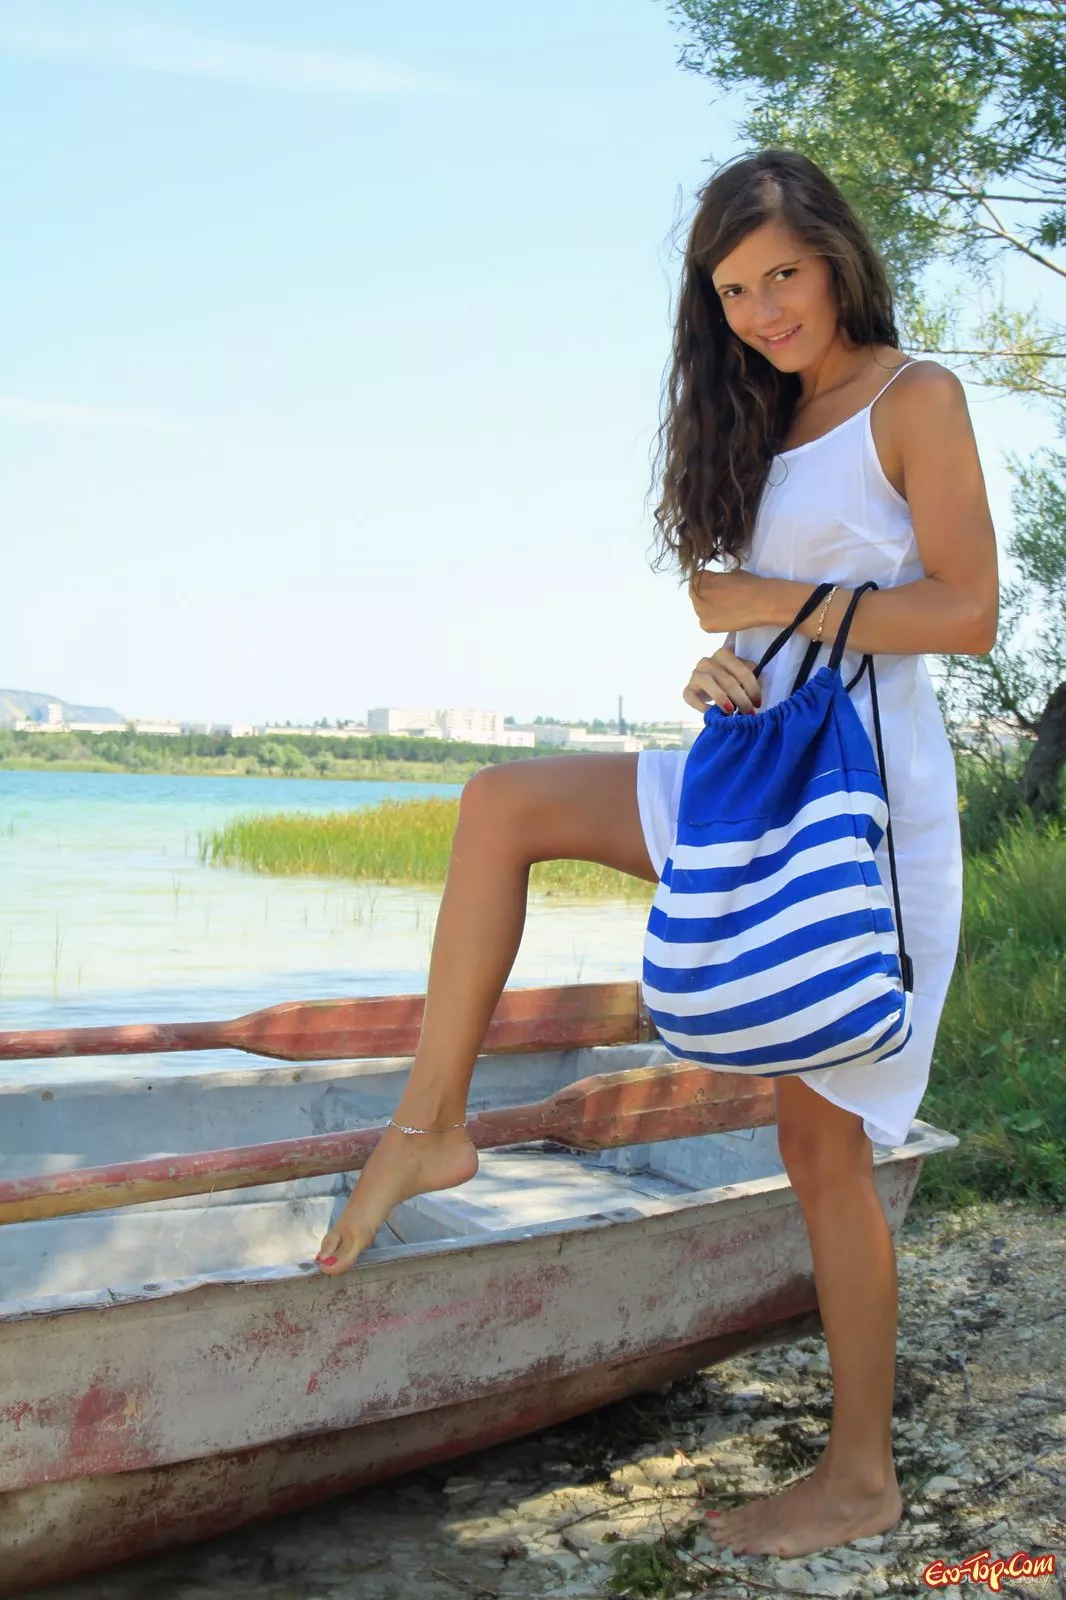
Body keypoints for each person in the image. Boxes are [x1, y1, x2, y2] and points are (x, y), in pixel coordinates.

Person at [315, 148, 999, 1560]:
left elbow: (966, 612)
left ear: (835, 257)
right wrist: (719, 658)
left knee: (823, 1145)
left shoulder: (913, 397)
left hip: (860, 804)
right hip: (744, 764)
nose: (762, 310)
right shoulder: (758, 417)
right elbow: (753, 618)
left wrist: (774, 602)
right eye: (733, 291)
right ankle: (431, 1128)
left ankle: (860, 1476)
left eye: (782, 276)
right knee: (501, 805)